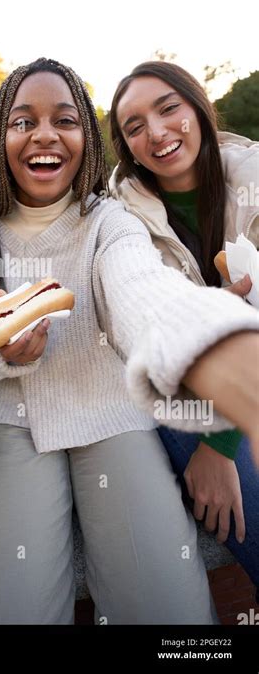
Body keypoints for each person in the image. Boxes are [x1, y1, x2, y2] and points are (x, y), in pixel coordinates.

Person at [0, 57, 259, 625]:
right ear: (2, 135)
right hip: (7, 418)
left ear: (86, 140)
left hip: (112, 412)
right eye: (23, 121)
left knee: (166, 604)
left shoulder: (112, 221)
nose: (44, 134)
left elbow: (137, 287)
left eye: (65, 120)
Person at [109, 60, 259, 599]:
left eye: (168, 108)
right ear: (127, 146)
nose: (157, 132)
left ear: (197, 107)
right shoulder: (122, 220)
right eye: (134, 126)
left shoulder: (254, 179)